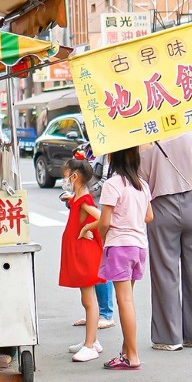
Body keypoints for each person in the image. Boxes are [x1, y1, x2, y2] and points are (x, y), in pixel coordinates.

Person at [140, 131, 192, 351]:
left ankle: (169, 338)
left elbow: (141, 180)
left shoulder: (145, 142)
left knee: (165, 273)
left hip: (161, 208)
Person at [97, 146, 153, 370]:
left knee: (125, 302)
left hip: (120, 246)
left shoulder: (112, 185)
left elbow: (104, 221)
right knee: (127, 300)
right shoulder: (142, 185)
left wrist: (102, 239)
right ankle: (125, 351)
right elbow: (149, 216)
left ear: (113, 156)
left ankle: (133, 357)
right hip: (139, 248)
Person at [58, 158, 105, 363]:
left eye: (65, 175)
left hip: (86, 253)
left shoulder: (85, 200)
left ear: (74, 176)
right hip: (80, 251)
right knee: (86, 299)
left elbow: (103, 218)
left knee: (89, 300)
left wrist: (86, 228)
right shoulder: (78, 197)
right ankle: (91, 339)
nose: (64, 179)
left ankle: (90, 345)